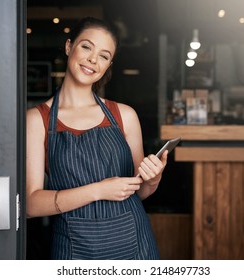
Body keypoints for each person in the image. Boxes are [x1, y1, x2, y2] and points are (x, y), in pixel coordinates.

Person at [26, 17, 168, 260]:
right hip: (74, 248)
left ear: (108, 64)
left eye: (104, 55)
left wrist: (153, 179)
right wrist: (99, 190)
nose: (93, 59)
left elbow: (139, 191)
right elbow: (31, 205)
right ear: (69, 46)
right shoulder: (36, 120)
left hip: (134, 243)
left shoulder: (125, 116)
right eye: (86, 47)